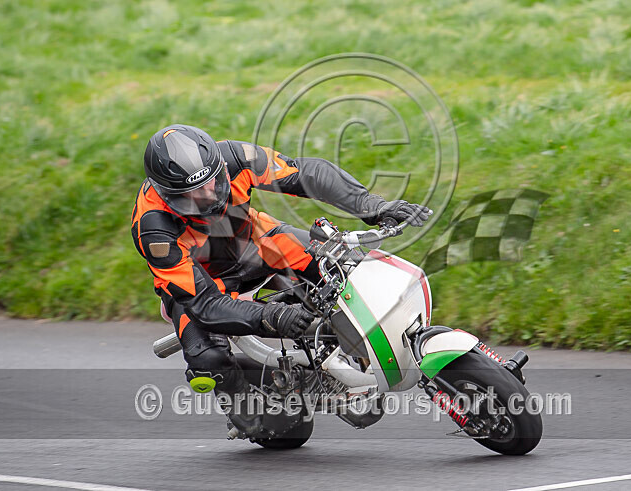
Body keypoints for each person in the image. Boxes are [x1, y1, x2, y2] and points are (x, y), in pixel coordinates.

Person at [131, 124, 431, 435]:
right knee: (208, 361)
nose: (208, 195)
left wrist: (371, 206)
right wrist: (271, 316)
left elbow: (306, 174)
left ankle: (367, 349)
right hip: (203, 282)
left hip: (256, 241)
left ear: (218, 166)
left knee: (344, 266)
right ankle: (239, 401)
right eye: (193, 193)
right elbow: (204, 303)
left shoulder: (236, 157)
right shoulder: (154, 228)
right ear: (166, 193)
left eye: (212, 182)